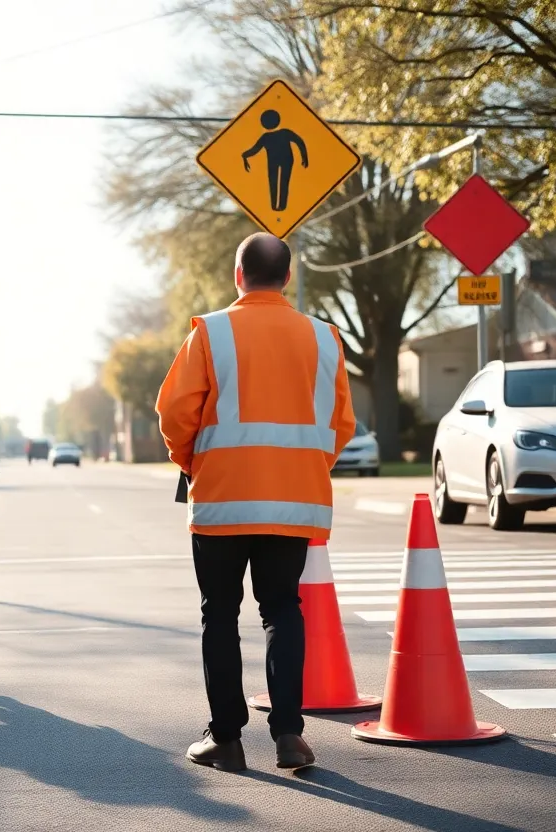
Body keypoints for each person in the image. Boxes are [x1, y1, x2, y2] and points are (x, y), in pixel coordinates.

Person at [155, 232, 355, 772]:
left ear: (238, 276)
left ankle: (226, 738)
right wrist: (302, 468)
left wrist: (192, 461)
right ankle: (290, 735)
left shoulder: (212, 333)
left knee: (219, 615)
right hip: (294, 502)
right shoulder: (323, 337)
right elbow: (341, 424)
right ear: (287, 278)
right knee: (282, 611)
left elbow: (174, 414)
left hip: (223, 500)